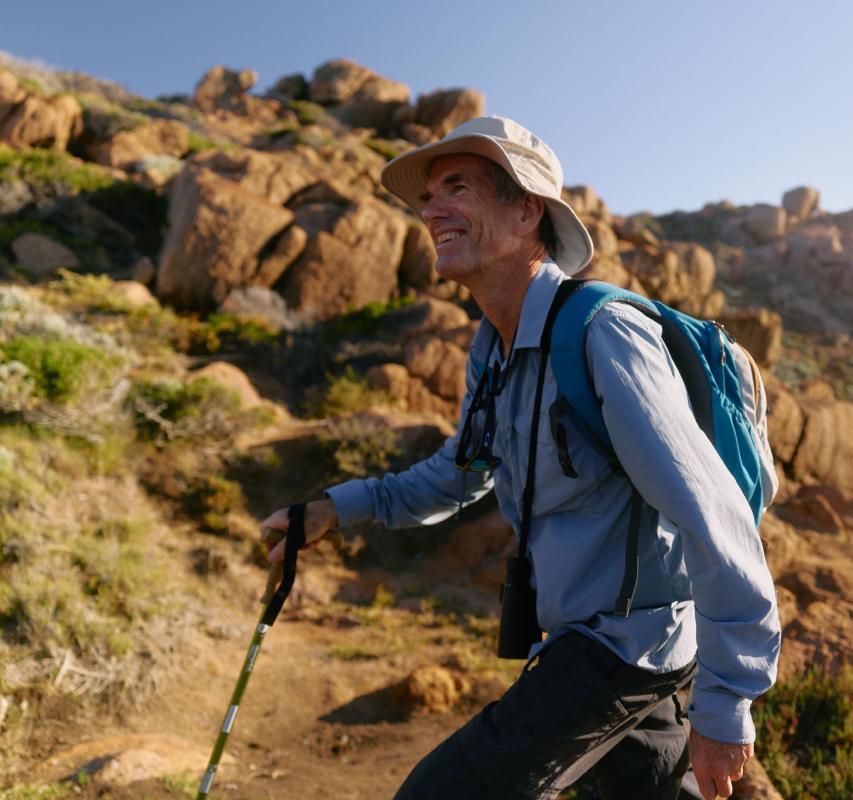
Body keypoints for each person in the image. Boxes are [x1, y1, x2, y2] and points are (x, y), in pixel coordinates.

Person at [260, 116, 781, 800]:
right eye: (427, 197)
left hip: (622, 651)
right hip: (592, 643)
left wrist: (729, 700)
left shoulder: (603, 335)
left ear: (527, 208)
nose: (431, 209)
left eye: (458, 187)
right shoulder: (492, 347)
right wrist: (335, 509)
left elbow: (712, 516)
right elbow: (457, 475)